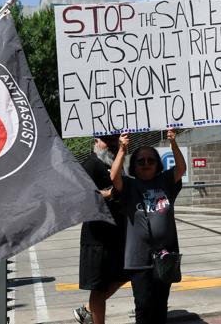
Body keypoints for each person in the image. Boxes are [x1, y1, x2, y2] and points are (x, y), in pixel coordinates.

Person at [110, 129, 186, 324]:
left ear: (157, 164)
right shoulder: (128, 185)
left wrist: (173, 144)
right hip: (138, 258)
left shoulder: (165, 181)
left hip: (165, 256)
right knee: (143, 305)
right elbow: (113, 177)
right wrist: (122, 150)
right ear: (134, 166)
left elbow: (181, 169)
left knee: (160, 305)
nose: (146, 164)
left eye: (150, 160)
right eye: (141, 161)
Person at [74, 135, 130, 324]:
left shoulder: (116, 163)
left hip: (117, 234)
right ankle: (93, 315)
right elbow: (79, 197)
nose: (112, 143)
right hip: (97, 237)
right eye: (107, 139)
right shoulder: (91, 164)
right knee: (99, 287)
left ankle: (88, 309)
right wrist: (105, 194)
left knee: (125, 274)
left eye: (114, 139)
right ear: (96, 142)